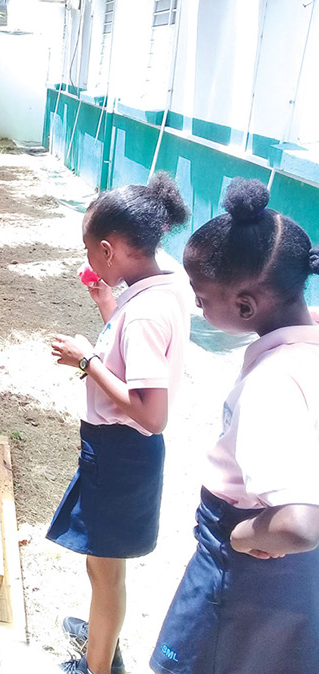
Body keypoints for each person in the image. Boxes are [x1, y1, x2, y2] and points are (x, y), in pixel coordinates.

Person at [150, 179, 319, 673]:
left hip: (246, 556)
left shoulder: (275, 382)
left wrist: (244, 537)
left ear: (245, 306)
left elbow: (298, 523)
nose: (197, 306)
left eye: (202, 298)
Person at [49, 173, 192, 674]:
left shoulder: (148, 311)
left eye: (90, 251)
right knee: (101, 563)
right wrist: (106, 304)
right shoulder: (155, 287)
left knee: (106, 571)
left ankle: (97, 667)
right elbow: (131, 354)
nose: (89, 260)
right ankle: (102, 639)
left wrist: (86, 360)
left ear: (109, 250)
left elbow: (152, 413)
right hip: (113, 450)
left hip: (122, 454)